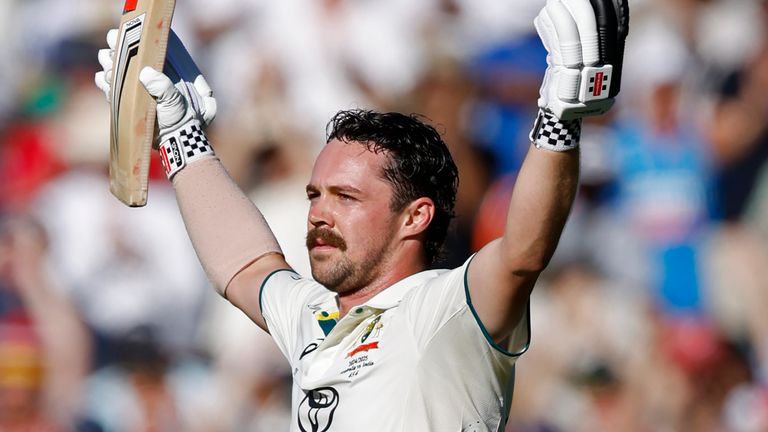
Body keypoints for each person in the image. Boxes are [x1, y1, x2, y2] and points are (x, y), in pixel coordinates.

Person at [95, 0, 628, 429]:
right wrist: (182, 134)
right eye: (314, 195)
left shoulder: (444, 311)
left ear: (415, 217)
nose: (319, 214)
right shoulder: (318, 317)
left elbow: (523, 253)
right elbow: (245, 266)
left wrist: (562, 111)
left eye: (345, 197)